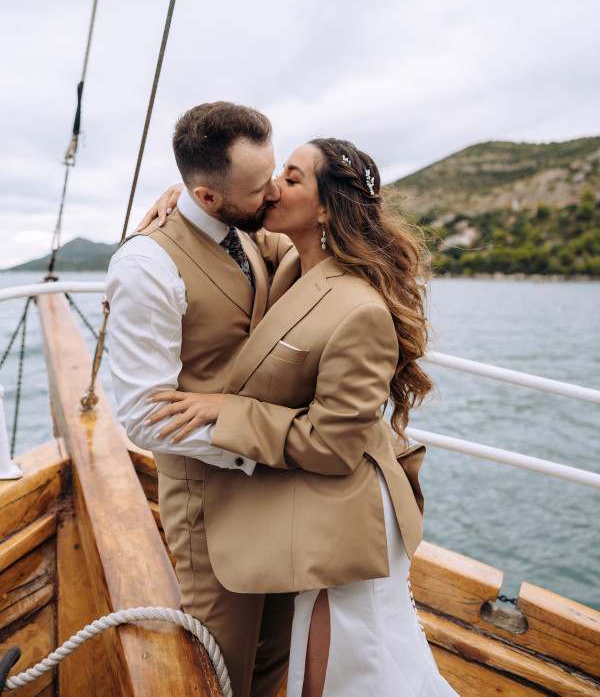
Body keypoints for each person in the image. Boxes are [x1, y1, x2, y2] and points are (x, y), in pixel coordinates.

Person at [146, 138, 459, 697]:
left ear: (325, 210)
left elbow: (334, 445)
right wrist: (190, 198)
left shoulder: (359, 309)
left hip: (349, 523)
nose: (272, 188)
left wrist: (229, 410)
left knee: (351, 675)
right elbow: (234, 227)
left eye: (291, 179)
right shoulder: (292, 258)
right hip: (316, 509)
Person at [106, 102, 298, 697]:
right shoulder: (146, 264)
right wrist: (272, 442)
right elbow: (144, 416)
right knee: (221, 668)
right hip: (208, 501)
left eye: (273, 174)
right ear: (208, 196)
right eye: (257, 186)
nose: (273, 192)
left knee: (276, 652)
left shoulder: (250, 229)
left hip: (281, 489)